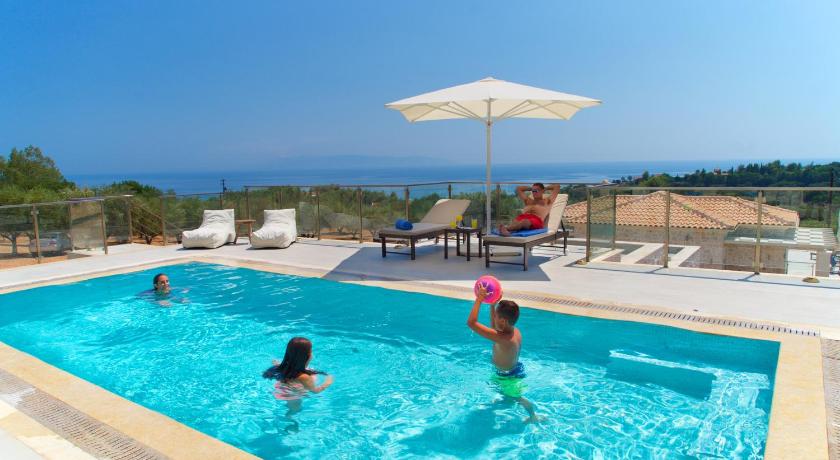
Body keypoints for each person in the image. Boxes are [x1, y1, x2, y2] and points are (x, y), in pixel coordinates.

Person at [467, 286, 540, 422]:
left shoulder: (504, 339)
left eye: (496, 316)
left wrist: (479, 299)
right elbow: (495, 328)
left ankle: (533, 416)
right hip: (512, 370)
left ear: (503, 321)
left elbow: (471, 323)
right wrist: (492, 304)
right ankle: (513, 403)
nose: (494, 318)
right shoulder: (514, 332)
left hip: (507, 377)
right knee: (505, 394)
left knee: (516, 398)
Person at [263, 337, 333, 425]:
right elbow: (315, 391)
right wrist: (327, 382)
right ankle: (291, 422)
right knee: (295, 410)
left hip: (284, 386)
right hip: (292, 395)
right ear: (307, 355)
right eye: (311, 350)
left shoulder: (284, 366)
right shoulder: (304, 377)